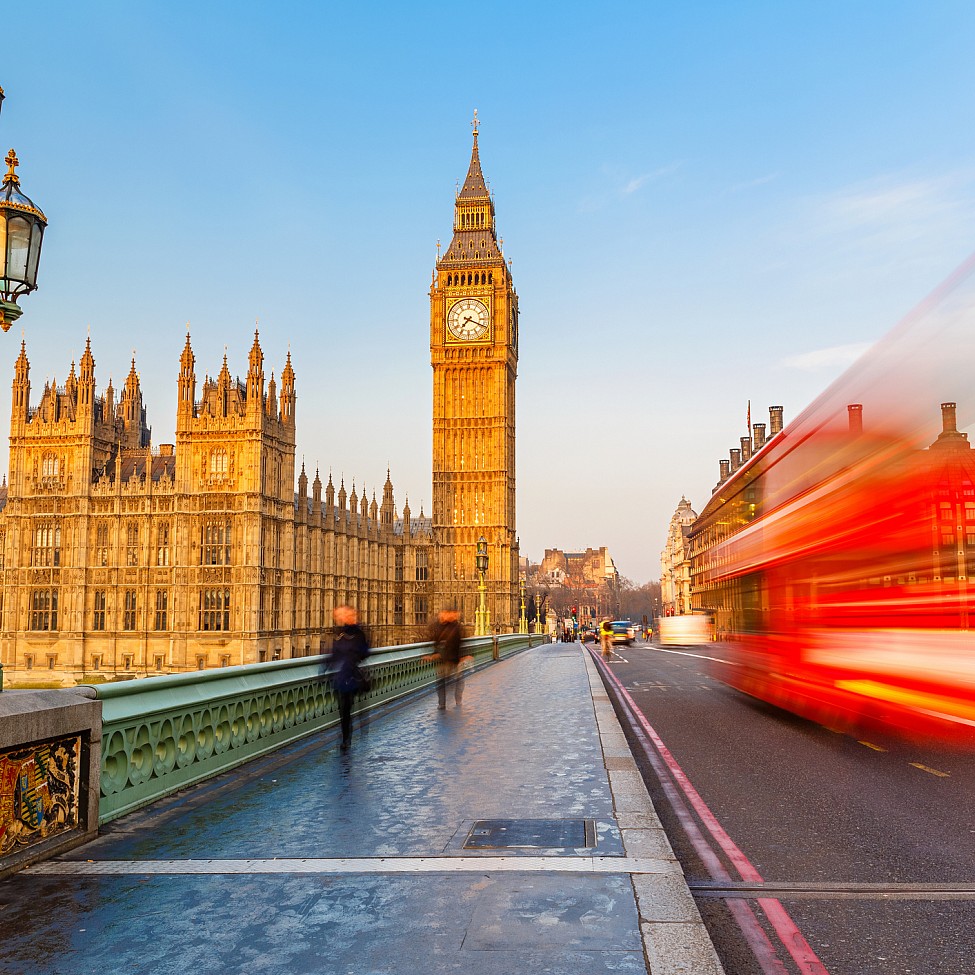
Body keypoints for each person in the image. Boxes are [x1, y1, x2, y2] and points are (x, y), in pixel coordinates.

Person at [328, 605, 370, 751]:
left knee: (347, 706)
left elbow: (365, 652)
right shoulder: (338, 633)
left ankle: (347, 738)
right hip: (340, 676)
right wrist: (325, 668)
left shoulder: (359, 633)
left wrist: (353, 658)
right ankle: (346, 737)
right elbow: (333, 654)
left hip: (351, 675)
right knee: (344, 710)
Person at [430, 609, 471, 710]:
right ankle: (447, 702)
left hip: (452, 659)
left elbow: (461, 643)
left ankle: (447, 702)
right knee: (448, 681)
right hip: (446, 659)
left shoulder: (456, 627)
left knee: (450, 681)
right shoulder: (442, 627)